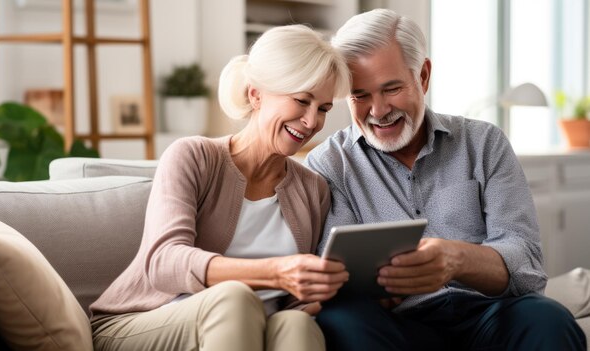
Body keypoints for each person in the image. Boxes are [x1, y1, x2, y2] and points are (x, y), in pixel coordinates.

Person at [305, 8, 586, 351]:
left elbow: (526, 265)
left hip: (487, 312)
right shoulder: (330, 163)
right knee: (341, 321)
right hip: (396, 324)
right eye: (359, 96)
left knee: (548, 319)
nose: (377, 111)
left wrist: (456, 260)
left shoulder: (484, 143)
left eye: (391, 88)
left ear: (422, 75)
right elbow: (341, 282)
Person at [89, 24, 351, 351]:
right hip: (142, 323)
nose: (312, 122)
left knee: (297, 325)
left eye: (323, 109)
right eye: (301, 100)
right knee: (234, 298)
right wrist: (273, 272)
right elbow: (164, 263)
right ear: (256, 94)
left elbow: (293, 301)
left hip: (251, 330)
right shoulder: (194, 156)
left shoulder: (313, 188)